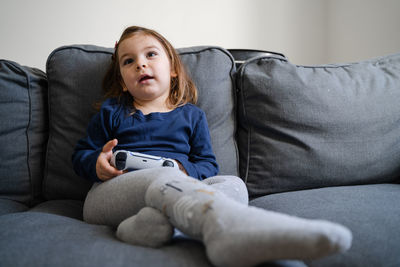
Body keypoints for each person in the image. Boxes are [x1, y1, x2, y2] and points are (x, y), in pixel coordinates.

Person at [72, 26, 352, 267]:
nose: (140, 65)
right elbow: (81, 155)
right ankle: (225, 229)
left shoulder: (191, 116)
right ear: (122, 82)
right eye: (128, 61)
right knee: (163, 175)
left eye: (150, 55)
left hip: (174, 187)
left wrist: (182, 169)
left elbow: (207, 165)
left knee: (233, 183)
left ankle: (150, 227)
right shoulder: (112, 111)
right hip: (112, 194)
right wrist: (97, 163)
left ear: (172, 69)